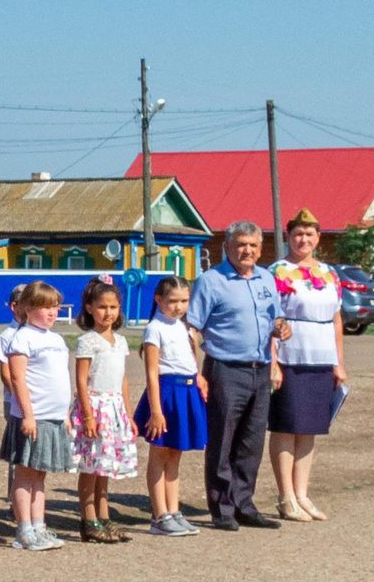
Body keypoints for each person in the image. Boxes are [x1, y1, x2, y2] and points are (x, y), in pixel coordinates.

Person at [187, 220, 285, 531]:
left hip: (260, 369)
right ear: (227, 247)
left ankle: (245, 503)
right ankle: (222, 509)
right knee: (223, 441)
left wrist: (282, 331)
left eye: (253, 245)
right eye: (241, 244)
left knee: (251, 442)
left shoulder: (266, 279)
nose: (247, 250)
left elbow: (275, 319)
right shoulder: (211, 281)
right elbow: (192, 328)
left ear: (260, 248)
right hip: (225, 370)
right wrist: (195, 371)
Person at [267, 209, 345, 521]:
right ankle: (285, 496)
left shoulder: (329, 273)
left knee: (310, 428)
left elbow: (337, 319)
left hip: (322, 358)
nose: (304, 239)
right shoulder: (277, 271)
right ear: (287, 237)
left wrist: (339, 362)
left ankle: (302, 493)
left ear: (318, 238)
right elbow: (270, 318)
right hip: (290, 357)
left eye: (309, 234)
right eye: (298, 234)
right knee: (287, 426)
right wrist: (273, 361)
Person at [0, 281, 73, 551]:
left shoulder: (56, 339)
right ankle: (24, 530)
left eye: (55, 307)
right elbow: (17, 378)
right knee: (25, 475)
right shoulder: (22, 337)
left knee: (40, 475)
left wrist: (65, 414)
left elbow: (60, 377)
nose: (52, 312)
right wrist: (28, 415)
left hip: (53, 417)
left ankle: (39, 526)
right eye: (45, 307)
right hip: (31, 418)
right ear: (27, 309)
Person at [69, 279, 138, 544]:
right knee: (90, 465)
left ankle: (104, 514)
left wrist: (128, 415)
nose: (108, 312)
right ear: (89, 308)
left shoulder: (120, 341)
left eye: (113, 307)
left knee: (105, 467)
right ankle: (88, 518)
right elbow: (82, 380)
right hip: (95, 407)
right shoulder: (88, 341)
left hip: (115, 407)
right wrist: (87, 416)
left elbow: (123, 380)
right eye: (101, 307)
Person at [136, 276, 205, 536]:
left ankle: (174, 511)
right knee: (159, 453)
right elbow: (152, 372)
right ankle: (159, 515)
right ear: (158, 300)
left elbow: (191, 360)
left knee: (175, 454)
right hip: (165, 394)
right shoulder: (155, 328)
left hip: (186, 393)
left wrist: (198, 378)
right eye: (172, 301)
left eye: (184, 300)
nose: (178, 306)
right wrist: (156, 411)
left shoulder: (186, 328)